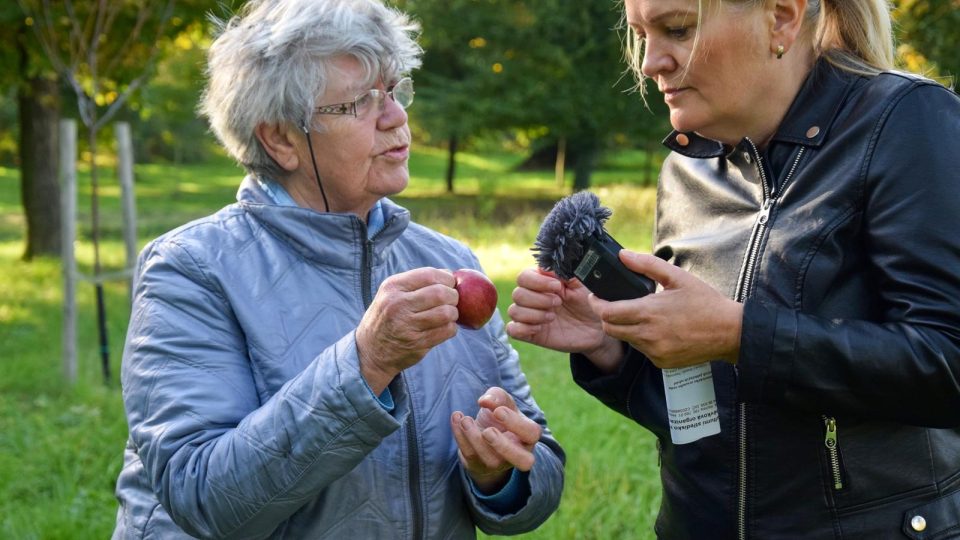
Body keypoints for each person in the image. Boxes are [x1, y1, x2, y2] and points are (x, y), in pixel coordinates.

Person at [111, 0, 565, 538]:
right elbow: (204, 498)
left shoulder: (451, 262)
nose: (396, 117)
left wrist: (498, 474)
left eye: (395, 91)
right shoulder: (189, 270)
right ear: (280, 138)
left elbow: (542, 464)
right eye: (359, 103)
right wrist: (366, 363)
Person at [507, 0, 960, 538]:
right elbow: (704, 418)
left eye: (677, 28)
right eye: (640, 34)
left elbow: (947, 359)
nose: (652, 62)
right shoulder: (686, 172)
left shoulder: (907, 120)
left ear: (781, 18)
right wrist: (614, 351)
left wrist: (740, 335)